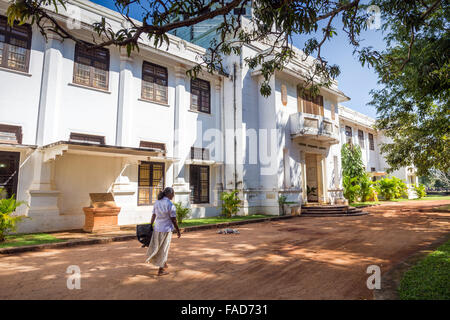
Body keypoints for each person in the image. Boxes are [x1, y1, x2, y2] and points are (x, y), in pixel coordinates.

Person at [145, 187, 181, 276]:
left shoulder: (157, 202)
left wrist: (150, 225)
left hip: (157, 228)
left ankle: (163, 263)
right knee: (164, 248)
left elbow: (153, 215)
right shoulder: (170, 204)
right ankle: (161, 270)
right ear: (169, 194)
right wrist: (178, 230)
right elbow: (173, 219)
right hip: (166, 229)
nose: (173, 196)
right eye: (173, 194)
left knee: (158, 247)